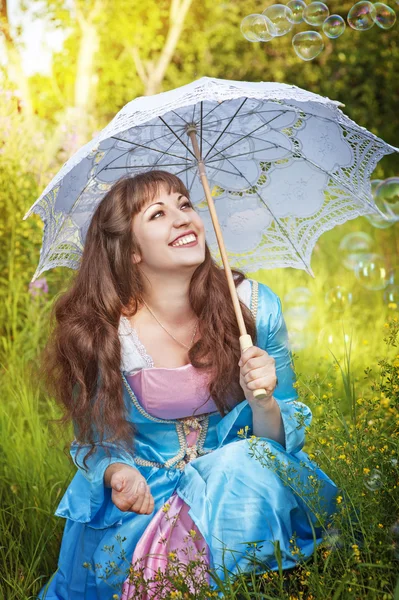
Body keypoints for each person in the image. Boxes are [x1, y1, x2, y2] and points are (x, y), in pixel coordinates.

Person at [37, 170, 338, 600]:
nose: (183, 218)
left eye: (185, 204)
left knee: (240, 464)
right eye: (158, 214)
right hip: (148, 499)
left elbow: (278, 446)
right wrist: (118, 473)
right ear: (131, 251)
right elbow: (95, 441)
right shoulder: (105, 332)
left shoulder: (250, 308)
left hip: (239, 496)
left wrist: (264, 401)